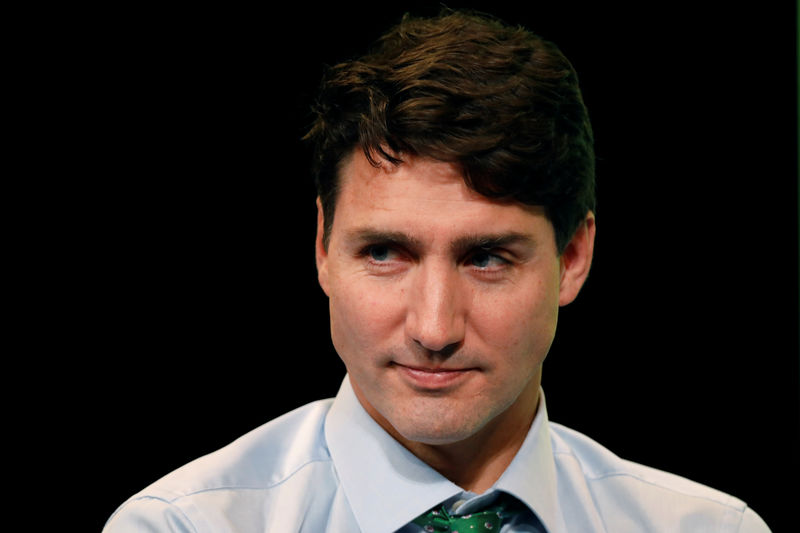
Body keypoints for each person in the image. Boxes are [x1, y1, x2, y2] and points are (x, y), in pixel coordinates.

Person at [103, 9, 771, 532]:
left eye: (485, 258)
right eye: (385, 252)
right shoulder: (180, 525)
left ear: (573, 257)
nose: (432, 326)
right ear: (322, 246)